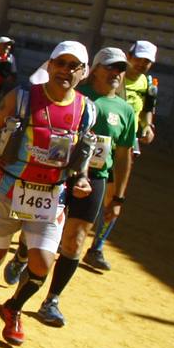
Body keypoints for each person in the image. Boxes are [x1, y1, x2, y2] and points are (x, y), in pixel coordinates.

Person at [0, 41, 97, 346]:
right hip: (9, 187)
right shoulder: (21, 98)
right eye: (60, 63)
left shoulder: (87, 110)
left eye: (74, 66)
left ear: (84, 73)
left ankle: (13, 308)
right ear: (49, 65)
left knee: (42, 263)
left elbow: (83, 154)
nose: (65, 70)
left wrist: (83, 179)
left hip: (51, 196)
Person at [31, 47, 137, 327]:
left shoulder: (125, 111)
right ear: (96, 68)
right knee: (38, 228)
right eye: (111, 67)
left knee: (75, 239)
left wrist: (119, 197)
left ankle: (52, 299)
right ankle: (22, 255)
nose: (116, 73)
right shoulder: (76, 94)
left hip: (95, 178)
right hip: (61, 172)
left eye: (121, 69)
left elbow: (124, 155)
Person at [85, 39, 158, 271]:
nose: (142, 64)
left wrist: (147, 127)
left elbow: (147, 111)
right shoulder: (115, 73)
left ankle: (97, 246)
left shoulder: (149, 84)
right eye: (139, 59)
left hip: (124, 140)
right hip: (101, 134)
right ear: (129, 55)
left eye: (148, 61)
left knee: (115, 194)